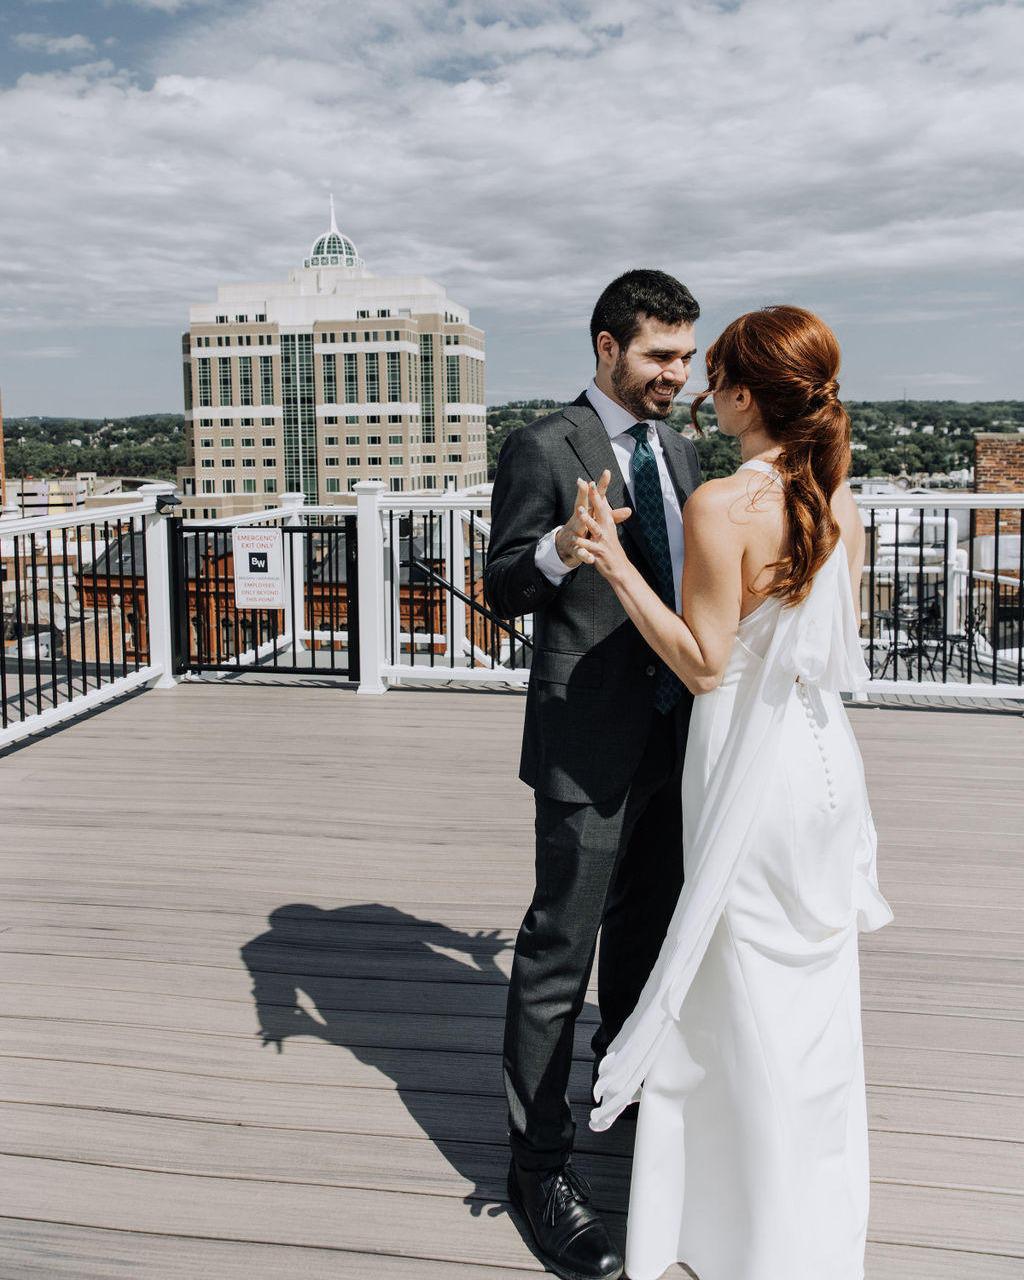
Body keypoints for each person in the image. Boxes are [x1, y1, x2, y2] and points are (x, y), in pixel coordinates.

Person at [576, 305, 893, 1280]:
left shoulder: (723, 502)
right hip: (823, 759)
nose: (705, 391)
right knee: (810, 990)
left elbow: (705, 665)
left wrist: (614, 563)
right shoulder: (837, 493)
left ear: (748, 394)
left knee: (740, 982)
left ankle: (740, 1226)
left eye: (716, 375)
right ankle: (807, 1208)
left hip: (749, 761)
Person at [484, 269, 702, 1280]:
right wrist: (563, 549)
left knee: (647, 936)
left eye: (687, 356)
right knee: (556, 952)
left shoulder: (684, 448)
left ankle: (622, 1089)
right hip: (586, 741)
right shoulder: (543, 444)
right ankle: (538, 1168)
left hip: (677, 739)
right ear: (607, 347)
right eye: (660, 355)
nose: (677, 373)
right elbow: (500, 585)